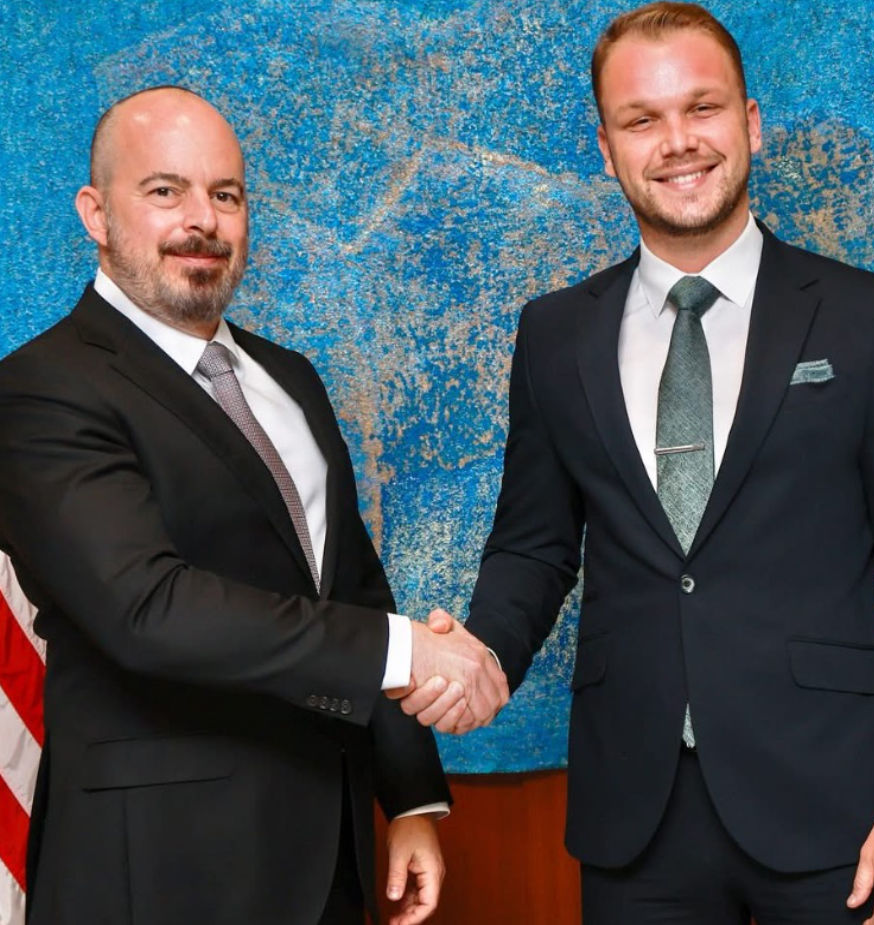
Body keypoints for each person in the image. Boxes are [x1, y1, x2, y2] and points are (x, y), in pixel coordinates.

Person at [402, 4, 874, 924]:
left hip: (839, 809)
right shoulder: (555, 334)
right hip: (635, 818)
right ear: (607, 149)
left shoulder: (870, 318)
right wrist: (484, 653)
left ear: (749, 122)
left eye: (701, 108)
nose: (677, 142)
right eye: (643, 119)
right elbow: (534, 548)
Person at [0, 85, 507, 925]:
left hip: (330, 861)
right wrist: (408, 650)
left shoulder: (291, 378)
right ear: (96, 213)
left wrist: (411, 796)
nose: (203, 220)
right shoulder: (40, 389)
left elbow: (353, 590)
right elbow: (148, 608)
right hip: (156, 871)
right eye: (165, 190)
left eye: (226, 195)